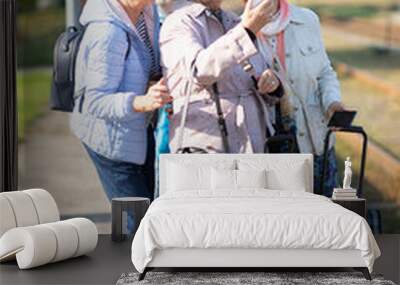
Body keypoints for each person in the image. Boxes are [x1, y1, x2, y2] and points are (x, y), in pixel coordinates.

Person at [71, 0, 172, 229]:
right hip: (109, 138)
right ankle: (130, 263)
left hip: (135, 125)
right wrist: (141, 101)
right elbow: (94, 101)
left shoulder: (146, 13)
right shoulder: (108, 32)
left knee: (151, 210)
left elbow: (148, 63)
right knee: (138, 223)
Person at [242, 0, 347, 196]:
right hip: (270, 149)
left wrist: (332, 101)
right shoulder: (238, 33)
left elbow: (324, 72)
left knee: (325, 213)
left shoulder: (307, 20)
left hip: (315, 142)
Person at [160, 0, 284, 154]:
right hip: (206, 151)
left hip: (253, 149)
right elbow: (199, 70)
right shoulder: (178, 22)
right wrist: (247, 31)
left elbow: (258, 78)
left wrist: (272, 84)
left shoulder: (234, 21)